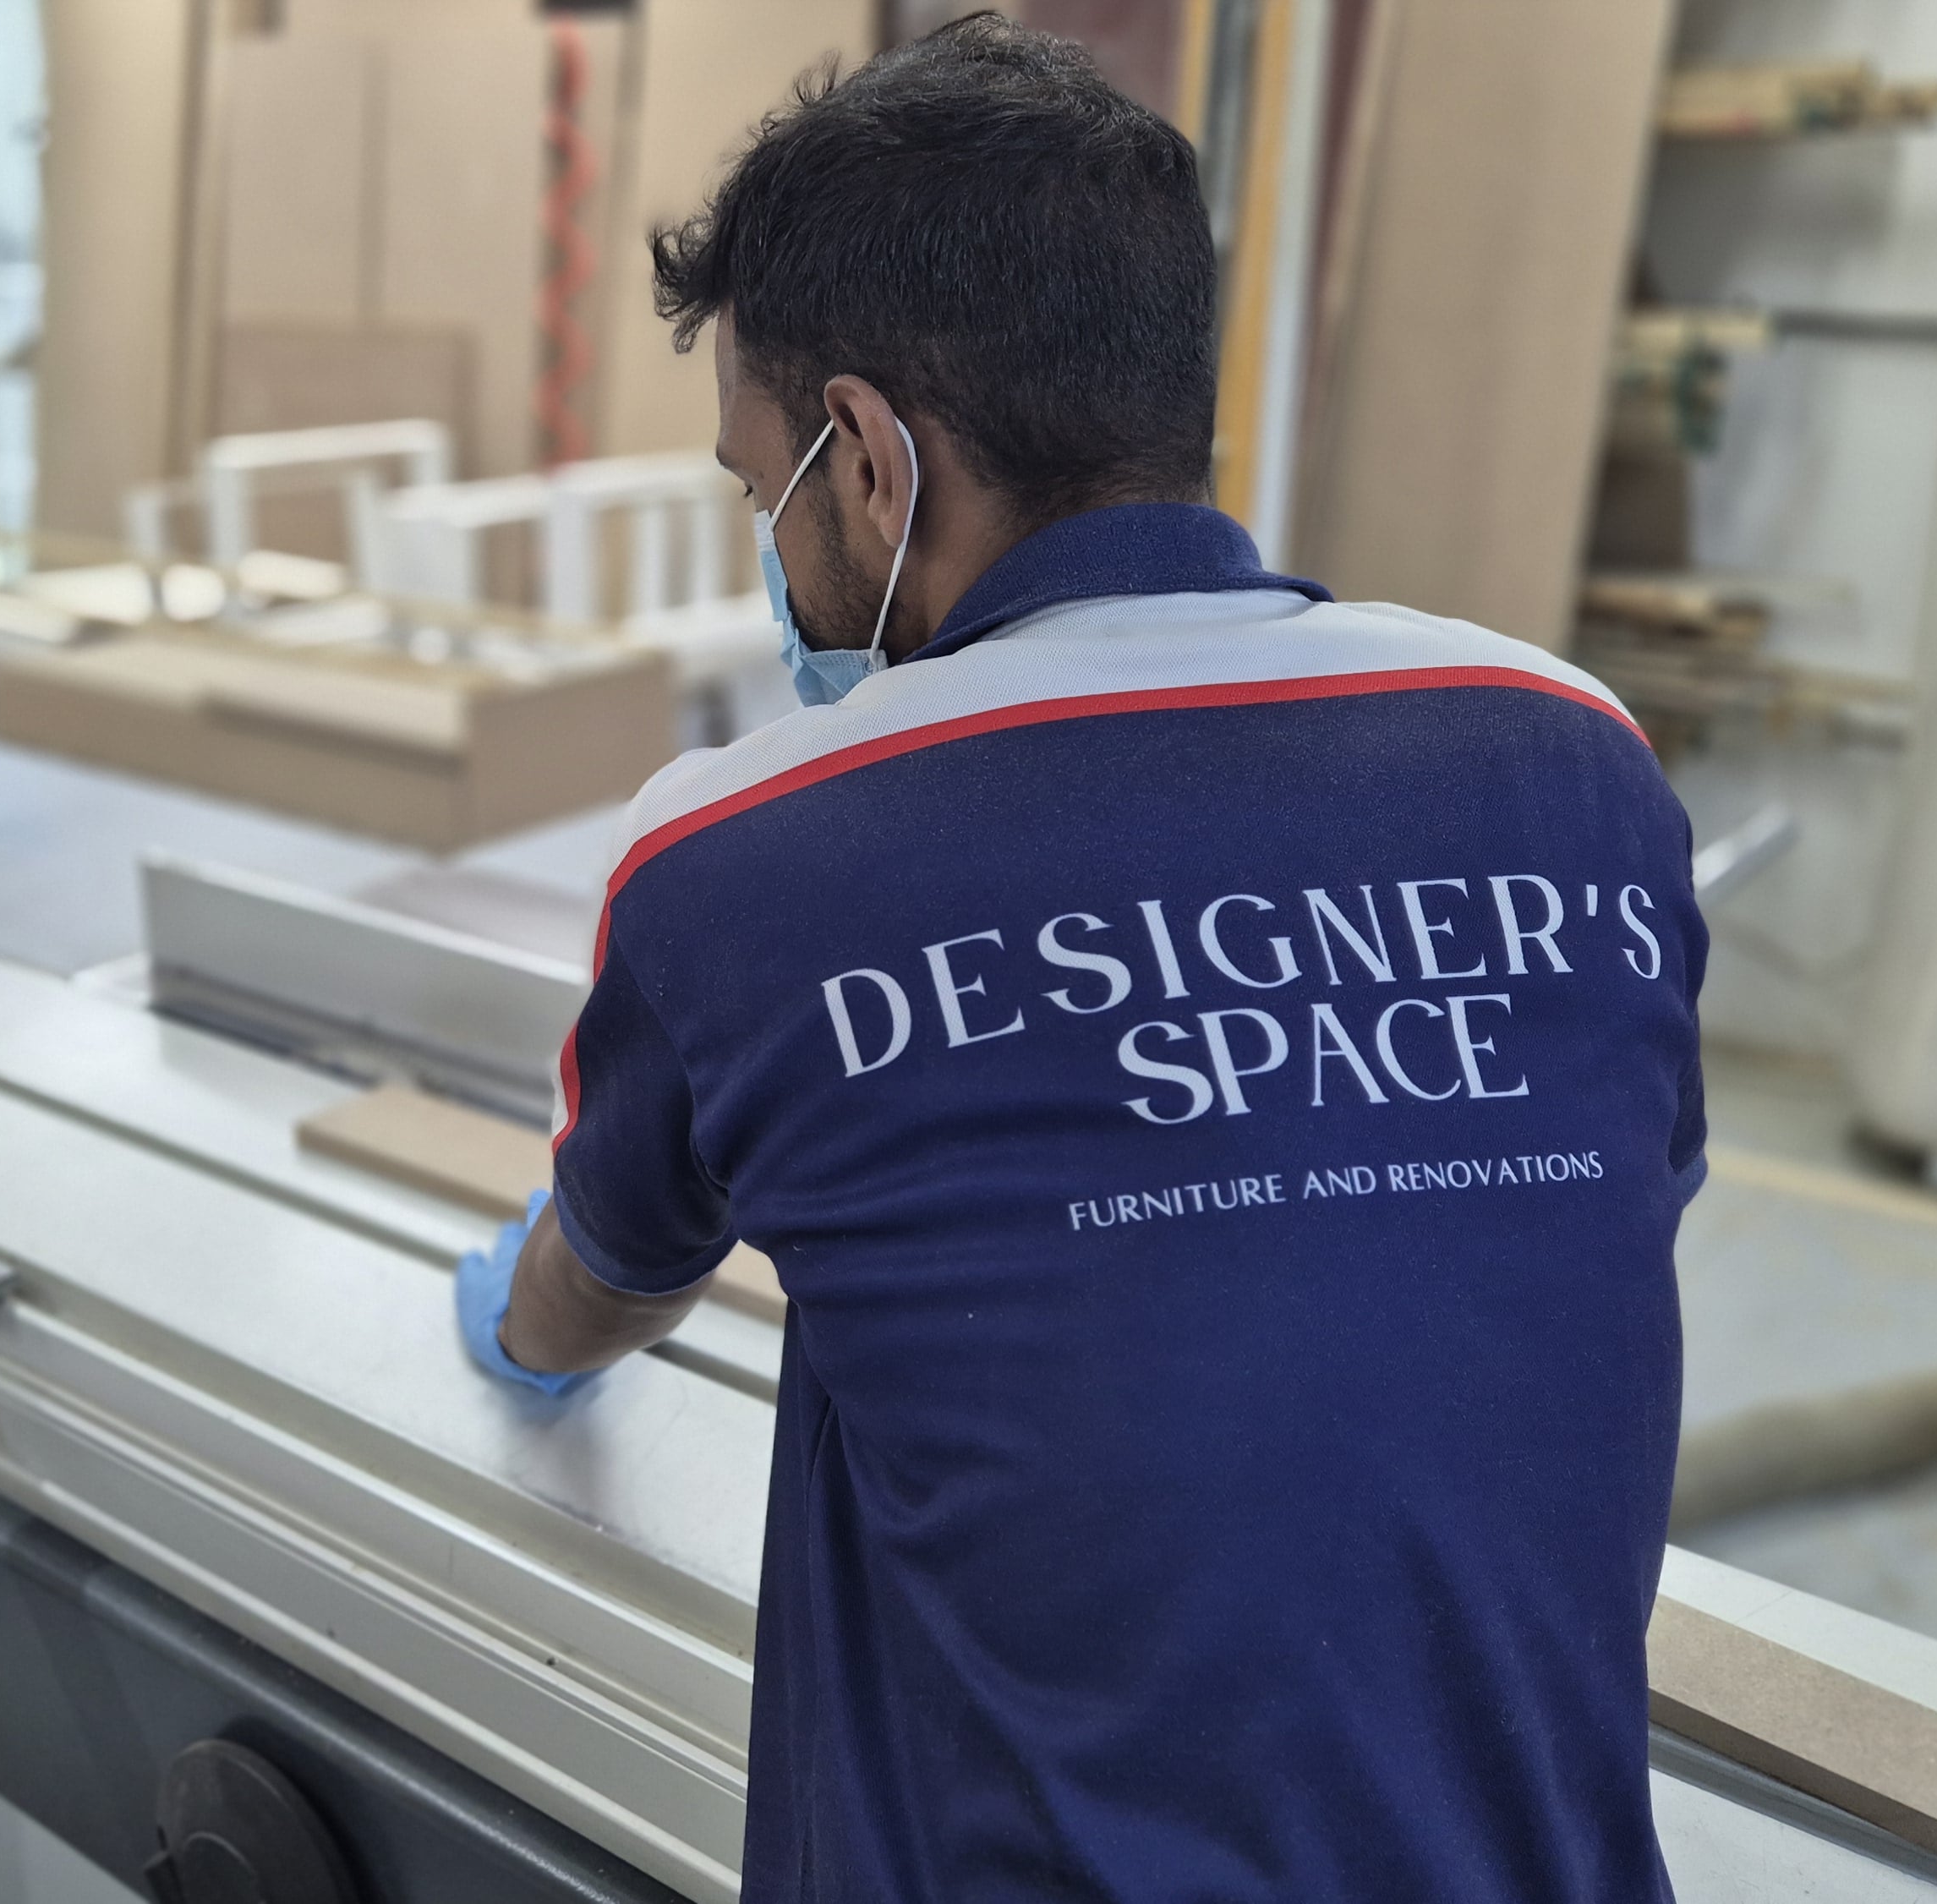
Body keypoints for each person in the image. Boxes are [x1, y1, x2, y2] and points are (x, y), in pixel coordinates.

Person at [451, 16, 1704, 1899]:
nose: (767, 555)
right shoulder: (1574, 758)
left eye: (758, 490)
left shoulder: (743, 859)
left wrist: (512, 1336)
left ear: (866, 457)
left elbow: (603, 1272)